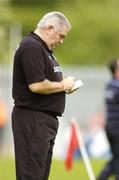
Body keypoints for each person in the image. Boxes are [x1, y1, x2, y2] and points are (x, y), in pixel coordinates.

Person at [12, 11, 76, 180]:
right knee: (31, 175)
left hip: (43, 121)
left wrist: (63, 86)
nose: (61, 41)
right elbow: (37, 85)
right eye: (61, 36)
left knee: (39, 175)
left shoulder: (43, 48)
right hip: (33, 119)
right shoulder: (31, 46)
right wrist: (62, 85)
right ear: (49, 28)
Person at [97, 58, 119, 180]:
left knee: (116, 157)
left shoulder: (110, 84)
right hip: (117, 126)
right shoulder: (117, 85)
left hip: (111, 125)